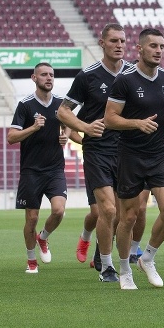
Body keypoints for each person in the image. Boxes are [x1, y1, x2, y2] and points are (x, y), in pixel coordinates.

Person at [58, 23, 134, 282]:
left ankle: (103, 254)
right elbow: (63, 111)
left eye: (122, 41)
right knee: (108, 210)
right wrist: (85, 127)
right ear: (102, 43)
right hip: (98, 149)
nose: (119, 45)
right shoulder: (87, 76)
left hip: (127, 150)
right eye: (113, 40)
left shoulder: (134, 74)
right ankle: (107, 266)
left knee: (124, 215)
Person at [105, 27, 164, 290]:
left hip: (159, 153)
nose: (158, 51)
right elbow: (109, 118)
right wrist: (137, 123)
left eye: (162, 46)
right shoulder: (124, 81)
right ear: (139, 49)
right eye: (153, 46)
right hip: (130, 155)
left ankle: (147, 258)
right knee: (129, 217)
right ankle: (124, 270)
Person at [8, 62, 68, 274]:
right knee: (31, 218)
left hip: (54, 169)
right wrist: (33, 127)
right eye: (44, 75)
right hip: (31, 170)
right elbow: (11, 137)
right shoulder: (25, 105)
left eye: (51, 75)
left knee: (59, 211)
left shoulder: (61, 103)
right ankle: (31, 259)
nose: (49, 78)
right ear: (34, 78)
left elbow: (69, 123)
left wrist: (66, 135)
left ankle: (43, 238)